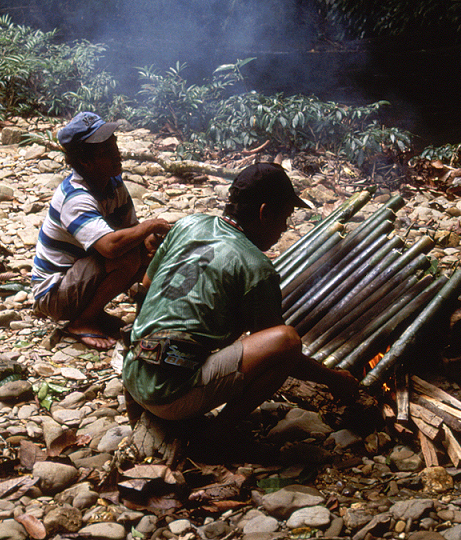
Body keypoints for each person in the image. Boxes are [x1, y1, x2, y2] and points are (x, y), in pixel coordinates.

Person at [122, 162, 359, 454]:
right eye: (285, 217)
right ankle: (214, 437)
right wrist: (334, 380)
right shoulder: (256, 266)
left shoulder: (188, 224)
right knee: (287, 340)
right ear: (264, 213)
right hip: (169, 398)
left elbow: (144, 288)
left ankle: (150, 397)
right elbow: (281, 353)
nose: (285, 227)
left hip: (132, 372)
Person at [31, 112, 171, 350]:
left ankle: (141, 316)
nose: (117, 153)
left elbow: (129, 231)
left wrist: (149, 240)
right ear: (86, 162)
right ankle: (82, 321)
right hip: (54, 293)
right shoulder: (74, 197)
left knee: (154, 256)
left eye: (114, 144)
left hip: (81, 275)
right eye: (106, 151)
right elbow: (111, 246)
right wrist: (149, 226)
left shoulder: (112, 183)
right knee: (126, 256)